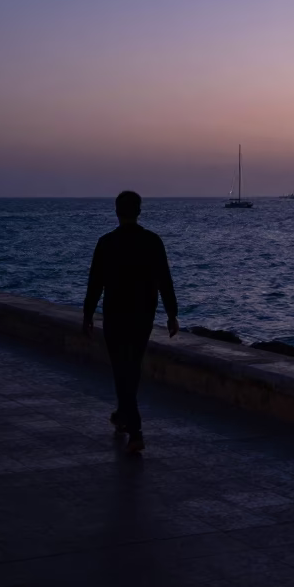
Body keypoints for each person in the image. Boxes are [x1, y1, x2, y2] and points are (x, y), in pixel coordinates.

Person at [82, 190, 179, 454]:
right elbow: (164, 280)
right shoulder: (152, 242)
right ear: (139, 211)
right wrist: (172, 314)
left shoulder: (106, 243)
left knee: (120, 368)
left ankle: (134, 428)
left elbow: (95, 283)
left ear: (117, 212)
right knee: (132, 366)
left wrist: (87, 314)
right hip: (143, 314)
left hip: (115, 313)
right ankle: (123, 415)